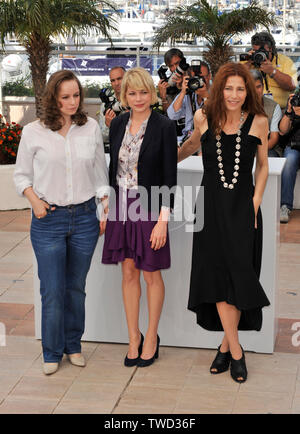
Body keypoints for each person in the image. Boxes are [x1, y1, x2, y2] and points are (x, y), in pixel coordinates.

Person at [178, 62, 270, 383]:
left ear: (248, 92)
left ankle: (226, 348)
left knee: (239, 276)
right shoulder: (205, 118)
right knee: (216, 276)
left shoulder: (259, 121)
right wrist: (165, 157)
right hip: (209, 209)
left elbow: (262, 168)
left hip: (243, 210)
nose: (233, 95)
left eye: (240, 89)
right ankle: (236, 351)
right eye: (228, 88)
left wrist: (255, 204)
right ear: (219, 89)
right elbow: (190, 146)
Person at [14, 70, 109, 375]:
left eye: (76, 96)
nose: (72, 102)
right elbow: (21, 175)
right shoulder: (33, 132)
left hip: (84, 219)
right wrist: (35, 201)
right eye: (65, 97)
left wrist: (104, 206)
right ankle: (52, 351)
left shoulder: (90, 127)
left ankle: (73, 345)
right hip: (48, 220)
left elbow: (99, 171)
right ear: (53, 98)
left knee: (76, 288)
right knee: (52, 289)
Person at [102, 67, 177, 368]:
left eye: (143, 92)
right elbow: (113, 170)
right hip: (121, 206)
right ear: (124, 95)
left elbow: (170, 176)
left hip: (150, 205)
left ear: (152, 93)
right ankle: (133, 336)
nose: (138, 98)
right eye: (131, 93)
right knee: (129, 273)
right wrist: (106, 206)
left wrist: (163, 220)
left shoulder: (164, 126)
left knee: (150, 274)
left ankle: (152, 336)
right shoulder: (118, 123)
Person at [242, 31, 296, 109]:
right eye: (256, 51)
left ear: (271, 49)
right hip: (252, 108)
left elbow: (292, 86)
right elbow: (234, 79)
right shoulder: (248, 61)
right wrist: (249, 62)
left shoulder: (285, 61)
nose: (259, 55)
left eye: (262, 52)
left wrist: (272, 71)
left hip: (280, 108)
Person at [167, 61, 211, 145]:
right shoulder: (188, 94)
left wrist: (205, 96)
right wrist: (183, 92)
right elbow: (172, 115)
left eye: (201, 77)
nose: (197, 81)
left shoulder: (217, 95)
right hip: (187, 138)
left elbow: (215, 119)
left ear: (209, 76)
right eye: (194, 78)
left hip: (207, 138)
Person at [278, 93, 300, 223]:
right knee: (289, 162)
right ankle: (285, 206)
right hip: (294, 145)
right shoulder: (296, 99)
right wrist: (289, 111)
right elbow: (282, 130)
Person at [250, 69, 282, 156]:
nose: (256, 92)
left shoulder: (274, 107)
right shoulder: (238, 106)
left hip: (267, 148)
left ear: (263, 86)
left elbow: (273, 139)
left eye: (258, 87)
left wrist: (255, 153)